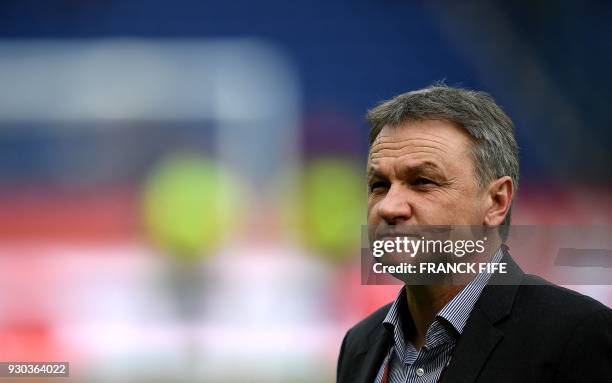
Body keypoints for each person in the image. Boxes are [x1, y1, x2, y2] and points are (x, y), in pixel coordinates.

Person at [336, 85, 611, 383]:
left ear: (496, 202)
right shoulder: (359, 345)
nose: (389, 207)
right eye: (379, 185)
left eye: (423, 181)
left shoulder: (575, 335)